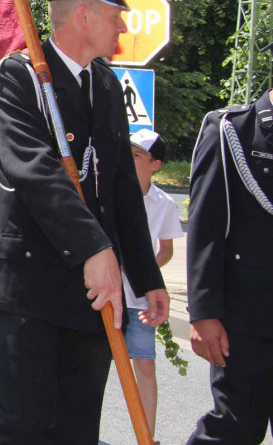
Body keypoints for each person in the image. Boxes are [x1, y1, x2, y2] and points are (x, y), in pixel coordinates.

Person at [0, 0, 170, 444]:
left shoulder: (105, 84)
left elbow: (121, 189)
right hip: (32, 284)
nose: (122, 24)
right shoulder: (20, 76)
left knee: (76, 429)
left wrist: (145, 276)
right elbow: (30, 169)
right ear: (83, 15)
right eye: (116, 13)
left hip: (95, 289)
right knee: (17, 424)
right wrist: (92, 247)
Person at [186, 86, 273, 444]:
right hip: (247, 319)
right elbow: (205, 226)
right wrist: (203, 311)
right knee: (234, 429)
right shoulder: (231, 130)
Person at [120, 129, 183, 443]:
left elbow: (167, 249)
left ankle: (147, 437)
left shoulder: (163, 203)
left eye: (137, 155)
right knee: (91, 363)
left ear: (155, 164)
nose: (129, 159)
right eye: (127, 152)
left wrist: (144, 273)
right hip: (106, 296)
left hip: (140, 300)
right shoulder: (111, 194)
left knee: (144, 365)